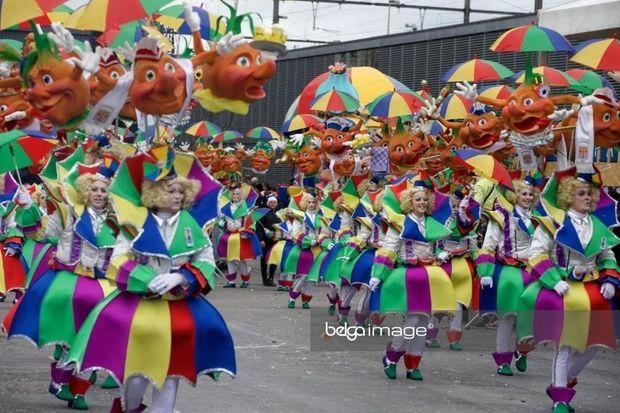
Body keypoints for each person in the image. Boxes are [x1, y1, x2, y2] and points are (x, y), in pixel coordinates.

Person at [63, 171, 236, 413]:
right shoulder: (134, 223)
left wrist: (180, 276)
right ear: (154, 192)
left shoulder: (193, 225)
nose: (177, 195)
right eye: (170, 190)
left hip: (178, 308)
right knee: (135, 375)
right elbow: (118, 257)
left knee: (169, 373)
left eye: (180, 191)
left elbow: (206, 259)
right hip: (138, 305)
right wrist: (146, 279)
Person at [4, 165, 118, 410]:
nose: (99, 193)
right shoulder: (69, 213)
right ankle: (60, 382)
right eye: (94, 189)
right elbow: (39, 231)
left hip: (103, 287)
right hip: (70, 284)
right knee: (70, 338)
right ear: (86, 191)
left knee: (93, 340)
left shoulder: (118, 222)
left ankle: (78, 392)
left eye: (104, 190)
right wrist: (27, 208)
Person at [518, 169, 618, 413]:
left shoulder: (598, 225)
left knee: (595, 344)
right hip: (563, 292)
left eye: (589, 194)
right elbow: (537, 254)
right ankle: (560, 399)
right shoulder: (553, 223)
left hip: (592, 292)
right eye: (581, 193)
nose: (587, 197)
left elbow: (607, 256)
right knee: (566, 345)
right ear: (568, 196)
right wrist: (555, 279)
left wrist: (609, 280)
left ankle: (559, 383)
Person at [370, 182, 455, 380]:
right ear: (410, 202)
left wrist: (441, 254)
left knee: (424, 322)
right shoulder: (400, 222)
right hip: (408, 276)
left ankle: (413, 364)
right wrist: (377, 274)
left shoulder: (432, 223)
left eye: (425, 199)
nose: (422, 202)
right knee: (413, 320)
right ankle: (392, 357)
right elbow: (390, 248)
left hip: (429, 276)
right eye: (418, 199)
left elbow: (437, 247)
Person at [475, 178, 538, 376]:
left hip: (533, 271)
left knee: (530, 317)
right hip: (508, 272)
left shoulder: (542, 218)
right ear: (514, 195)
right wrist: (485, 272)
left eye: (530, 194)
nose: (527, 197)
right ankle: (503, 360)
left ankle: (522, 351)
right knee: (508, 317)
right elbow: (489, 244)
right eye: (523, 193)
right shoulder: (502, 216)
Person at [217, 183, 262, 288]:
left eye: (238, 194)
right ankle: (231, 281)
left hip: (241, 236)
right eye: (234, 194)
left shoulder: (246, 209)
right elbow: (222, 221)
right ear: (231, 196)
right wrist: (222, 223)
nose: (236, 196)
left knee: (241, 259)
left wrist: (246, 232)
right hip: (229, 236)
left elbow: (250, 222)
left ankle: (245, 280)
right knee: (230, 259)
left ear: (241, 196)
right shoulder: (225, 208)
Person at [257, 195, 281, 286]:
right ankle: (264, 278)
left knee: (274, 259)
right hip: (265, 240)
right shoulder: (263, 213)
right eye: (271, 202)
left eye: (274, 202)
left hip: (275, 240)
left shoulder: (279, 213)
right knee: (264, 260)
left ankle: (271, 278)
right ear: (268, 203)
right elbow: (259, 227)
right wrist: (261, 239)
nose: (273, 204)